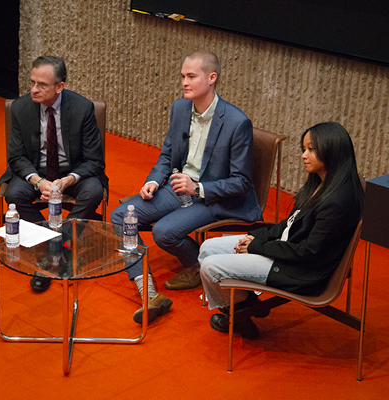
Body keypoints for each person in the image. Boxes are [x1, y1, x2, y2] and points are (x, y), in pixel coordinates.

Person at [111, 50, 262, 325]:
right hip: (179, 187)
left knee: (164, 232)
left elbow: (241, 182)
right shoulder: (180, 108)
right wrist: (154, 180)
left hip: (213, 198)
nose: (184, 82)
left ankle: (196, 265)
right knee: (122, 215)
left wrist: (198, 188)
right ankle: (147, 289)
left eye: (191, 76)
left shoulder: (237, 123)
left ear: (212, 78)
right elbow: (168, 155)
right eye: (182, 76)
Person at [199, 122, 364, 340]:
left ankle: (239, 314)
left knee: (211, 268)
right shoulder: (319, 182)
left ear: (332, 150)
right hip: (285, 249)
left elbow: (309, 252)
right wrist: (254, 237)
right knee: (208, 247)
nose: (304, 155)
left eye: (311, 149)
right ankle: (246, 307)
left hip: (298, 269)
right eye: (304, 149)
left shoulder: (338, 201)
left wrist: (257, 247)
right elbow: (288, 225)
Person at [0, 56, 108, 292]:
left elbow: (95, 161)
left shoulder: (82, 108)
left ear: (60, 87)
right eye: (32, 83)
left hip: (72, 172)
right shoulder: (21, 107)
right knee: (14, 194)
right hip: (36, 171)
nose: (34, 90)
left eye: (42, 85)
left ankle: (57, 249)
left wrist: (68, 180)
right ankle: (54, 244)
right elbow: (16, 157)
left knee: (93, 191)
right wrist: (39, 182)